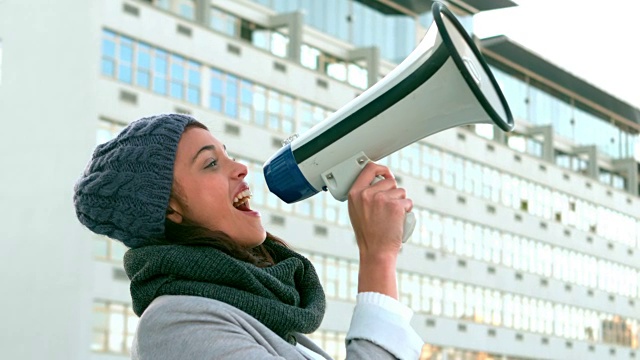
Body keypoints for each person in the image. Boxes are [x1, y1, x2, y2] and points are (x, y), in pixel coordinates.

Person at [74, 113, 424, 359]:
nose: (240, 168)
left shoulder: (255, 315)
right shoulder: (175, 323)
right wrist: (378, 256)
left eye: (228, 154)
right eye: (211, 163)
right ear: (169, 210)